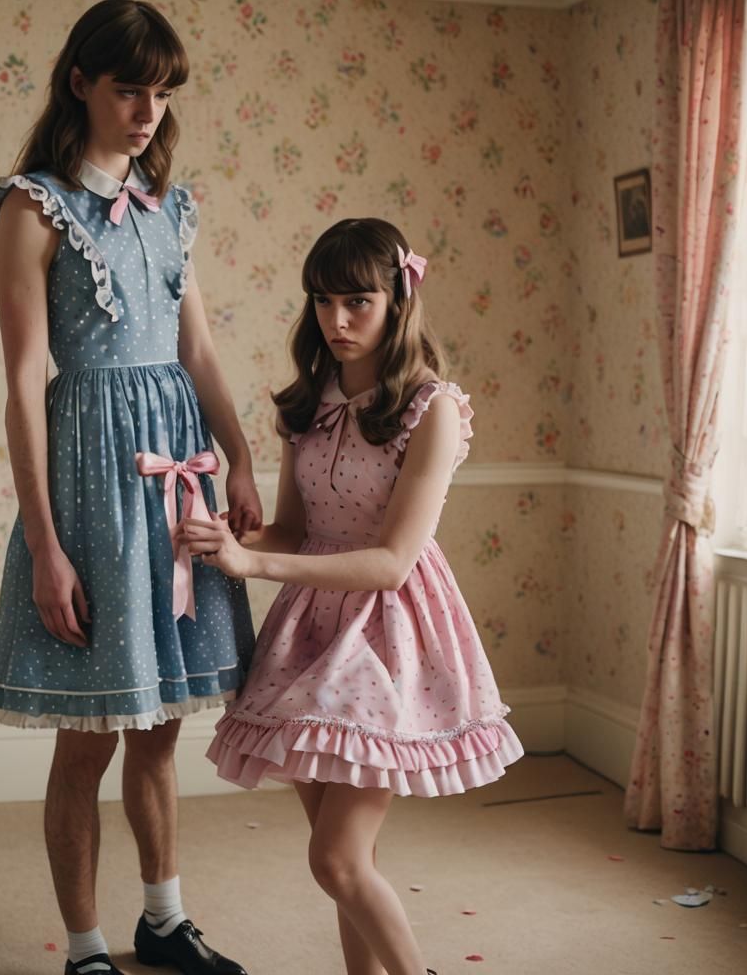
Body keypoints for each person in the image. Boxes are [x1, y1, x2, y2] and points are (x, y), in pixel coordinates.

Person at [0, 0, 258, 975]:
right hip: (92, 485)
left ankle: (164, 919)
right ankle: (88, 947)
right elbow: (23, 386)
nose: (147, 109)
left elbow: (198, 346)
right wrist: (47, 543)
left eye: (160, 91)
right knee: (90, 738)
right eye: (129, 87)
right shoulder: (32, 206)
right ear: (82, 84)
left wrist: (243, 455)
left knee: (158, 730)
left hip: (176, 480)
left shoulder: (172, 208)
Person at [182, 218, 524, 975]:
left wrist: (254, 567)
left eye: (357, 302)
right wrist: (218, 539)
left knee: (335, 861)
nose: (335, 321)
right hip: (310, 633)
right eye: (322, 302)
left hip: (388, 633)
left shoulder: (430, 409)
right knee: (347, 862)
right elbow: (296, 531)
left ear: (399, 300)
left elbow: (394, 563)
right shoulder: (310, 402)